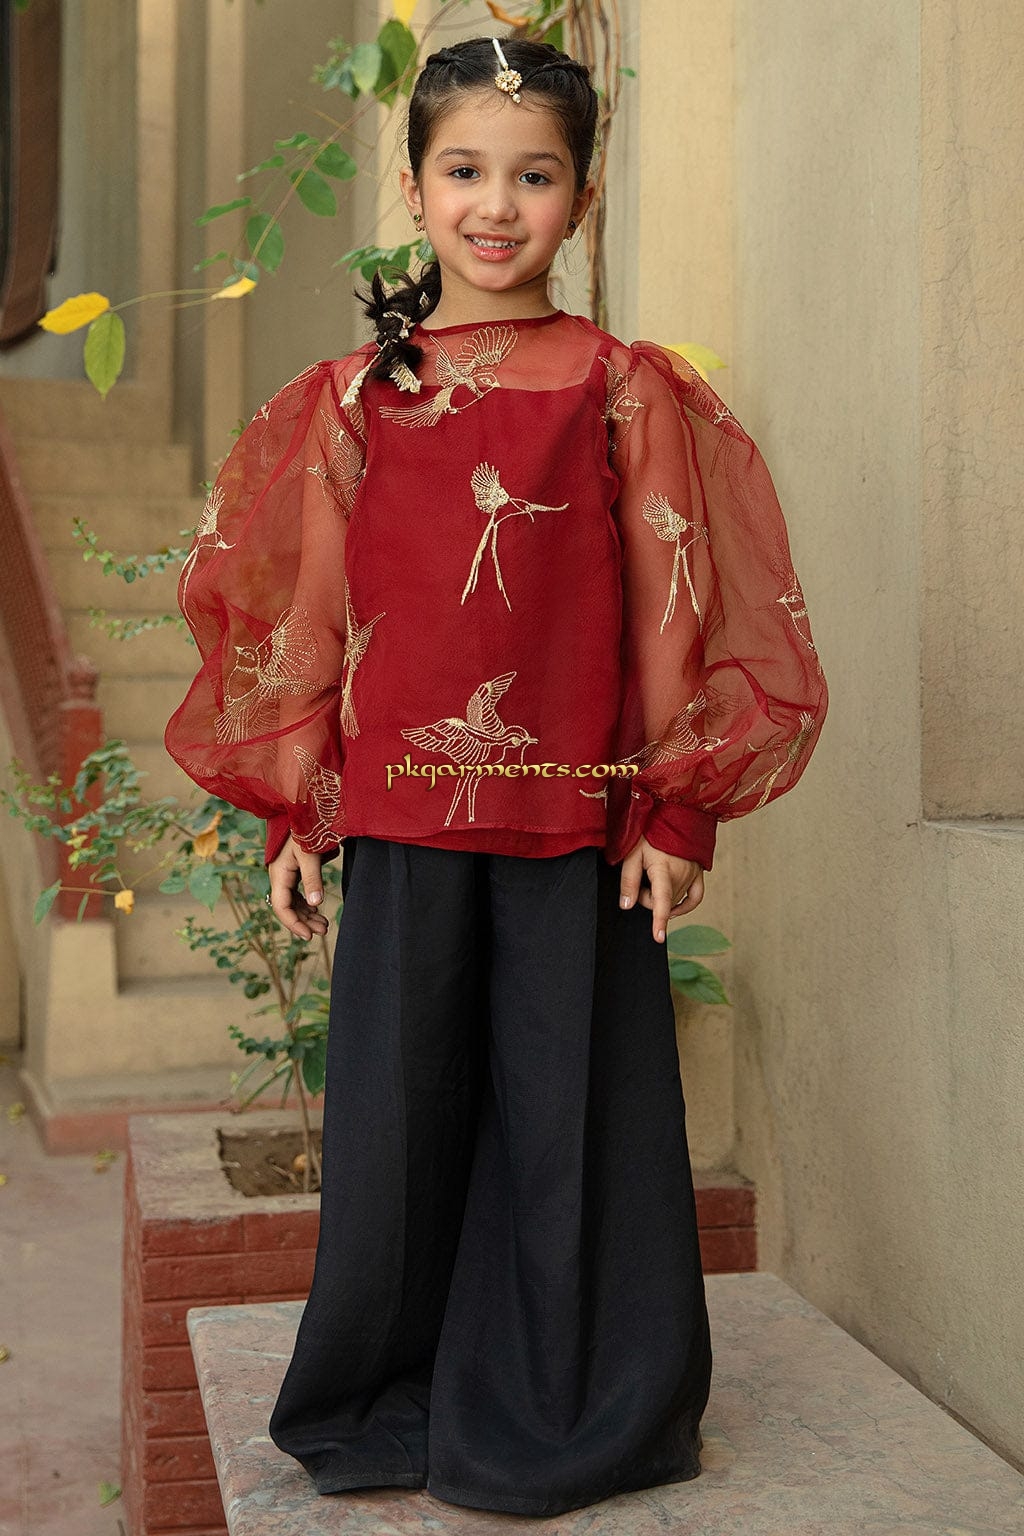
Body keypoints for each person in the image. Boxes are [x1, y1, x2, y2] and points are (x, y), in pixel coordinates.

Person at [164, 32, 828, 1520]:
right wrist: (297, 803)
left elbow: (672, 604)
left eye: (535, 175)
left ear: (581, 198)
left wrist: (677, 806)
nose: (497, 204)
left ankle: (579, 1400)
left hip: (576, 823)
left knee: (566, 1114)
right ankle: (382, 1397)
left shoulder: (623, 388)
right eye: (465, 169)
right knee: (398, 1119)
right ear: (413, 187)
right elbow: (311, 613)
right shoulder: (356, 399)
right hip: (403, 817)